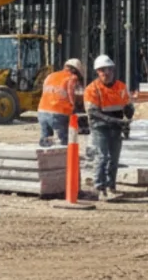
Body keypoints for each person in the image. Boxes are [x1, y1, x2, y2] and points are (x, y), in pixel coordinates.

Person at [83, 54, 134, 200]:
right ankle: (99, 188)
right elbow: (93, 112)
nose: (106, 73)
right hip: (100, 126)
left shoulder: (121, 87)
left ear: (113, 70)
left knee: (114, 159)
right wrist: (115, 121)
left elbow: (128, 107)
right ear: (97, 72)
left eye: (109, 70)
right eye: (102, 70)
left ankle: (111, 187)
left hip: (116, 127)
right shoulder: (92, 89)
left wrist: (127, 119)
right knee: (102, 157)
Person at [37, 58, 85, 147]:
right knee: (63, 140)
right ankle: (63, 153)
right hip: (58, 113)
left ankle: (45, 152)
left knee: (45, 140)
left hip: (42, 111)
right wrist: (74, 107)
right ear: (76, 71)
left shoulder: (50, 76)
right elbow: (71, 93)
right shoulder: (72, 77)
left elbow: (45, 92)